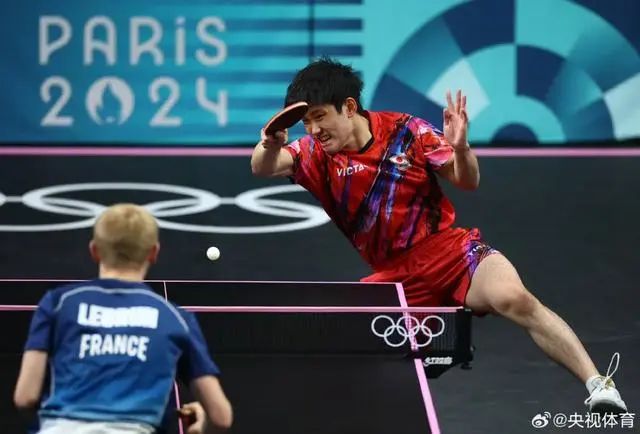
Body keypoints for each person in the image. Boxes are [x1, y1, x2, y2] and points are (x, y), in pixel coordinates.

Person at [250, 57, 627, 414]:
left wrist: (461, 149)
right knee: (348, 350)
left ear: (348, 107)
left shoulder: (407, 132)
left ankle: (600, 385)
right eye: (306, 123)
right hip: (395, 279)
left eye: (319, 117)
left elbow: (467, 180)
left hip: (451, 253)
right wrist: (269, 144)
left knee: (514, 297)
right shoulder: (314, 153)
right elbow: (263, 167)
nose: (313, 130)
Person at [14, 203, 233, 433]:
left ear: (94, 251)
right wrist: (201, 422)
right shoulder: (176, 318)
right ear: (154, 253)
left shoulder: (58, 303)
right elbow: (222, 416)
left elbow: (25, 397)